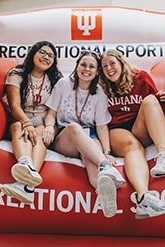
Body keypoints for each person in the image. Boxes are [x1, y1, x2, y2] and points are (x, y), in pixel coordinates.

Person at [43, 50, 125, 218]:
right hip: (66, 136)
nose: (86, 69)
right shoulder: (63, 84)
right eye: (83, 65)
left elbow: (102, 126)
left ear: (96, 72)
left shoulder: (100, 93)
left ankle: (105, 194)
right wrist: (50, 127)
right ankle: (106, 167)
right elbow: (51, 113)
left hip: (90, 135)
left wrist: (107, 151)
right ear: (77, 66)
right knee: (74, 128)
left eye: (92, 66)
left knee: (91, 150)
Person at [99, 49, 165, 219]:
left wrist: (160, 99)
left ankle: (164, 157)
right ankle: (144, 198)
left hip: (138, 125)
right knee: (132, 145)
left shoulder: (140, 77)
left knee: (151, 99)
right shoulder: (100, 86)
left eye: (112, 63)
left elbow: (154, 106)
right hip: (116, 129)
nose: (109, 68)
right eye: (104, 66)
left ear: (121, 62)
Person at [0, 41, 63, 204]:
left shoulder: (56, 78)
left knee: (41, 133)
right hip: (21, 117)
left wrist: (49, 125)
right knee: (18, 127)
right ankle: (26, 166)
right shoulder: (17, 73)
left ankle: (25, 184)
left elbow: (54, 109)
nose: (46, 57)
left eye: (51, 55)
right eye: (42, 52)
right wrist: (27, 123)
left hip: (44, 121)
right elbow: (14, 105)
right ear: (33, 53)